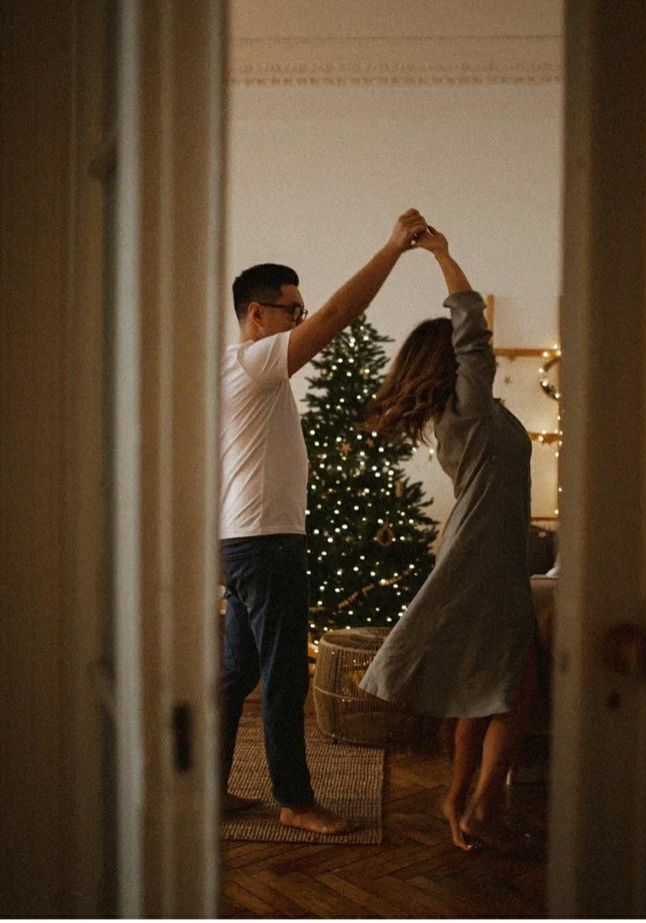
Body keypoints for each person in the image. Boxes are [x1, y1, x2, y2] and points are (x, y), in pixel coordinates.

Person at [220, 209, 428, 834]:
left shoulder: (241, 373)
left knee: (237, 674)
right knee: (284, 675)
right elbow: (340, 317)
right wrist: (392, 249)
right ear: (257, 314)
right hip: (264, 544)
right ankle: (294, 800)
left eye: (301, 311)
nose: (303, 320)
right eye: (292, 310)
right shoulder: (254, 363)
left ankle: (205, 788)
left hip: (243, 541)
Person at [359, 227, 538, 850]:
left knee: (484, 683)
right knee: (512, 687)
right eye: (463, 356)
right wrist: (440, 254)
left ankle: (458, 799)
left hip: (485, 545)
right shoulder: (466, 409)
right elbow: (469, 322)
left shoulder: (460, 416)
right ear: (453, 364)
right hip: (484, 551)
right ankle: (481, 808)